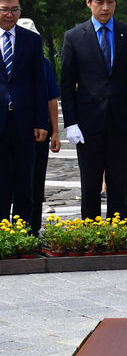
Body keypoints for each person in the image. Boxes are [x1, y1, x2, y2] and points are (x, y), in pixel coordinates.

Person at [60, 0, 127, 220]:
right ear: (89, 3)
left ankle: (116, 238)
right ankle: (92, 238)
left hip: (120, 121)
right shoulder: (74, 37)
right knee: (90, 184)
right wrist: (71, 123)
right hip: (88, 123)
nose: (105, 7)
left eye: (110, 2)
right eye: (100, 2)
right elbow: (66, 84)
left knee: (118, 184)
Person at [0, 0, 48, 224]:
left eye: (15, 9)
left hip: (25, 123)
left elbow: (40, 84)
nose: (10, 14)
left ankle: (24, 238)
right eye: (4, 9)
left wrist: (42, 121)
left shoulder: (31, 40)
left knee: (24, 184)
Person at [16, 18, 61, 235]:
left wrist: (54, 131)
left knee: (34, 182)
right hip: (10, 130)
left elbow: (51, 98)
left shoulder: (42, 63)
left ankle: (31, 231)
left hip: (37, 131)